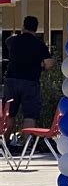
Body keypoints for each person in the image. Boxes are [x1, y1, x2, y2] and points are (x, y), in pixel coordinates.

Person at [3, 16, 56, 144]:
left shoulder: (12, 41)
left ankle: (4, 143)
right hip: (30, 81)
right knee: (30, 114)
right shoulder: (39, 44)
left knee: (9, 113)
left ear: (23, 26)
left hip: (12, 80)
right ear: (36, 29)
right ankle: (26, 145)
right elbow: (48, 63)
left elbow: (8, 41)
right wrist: (40, 64)